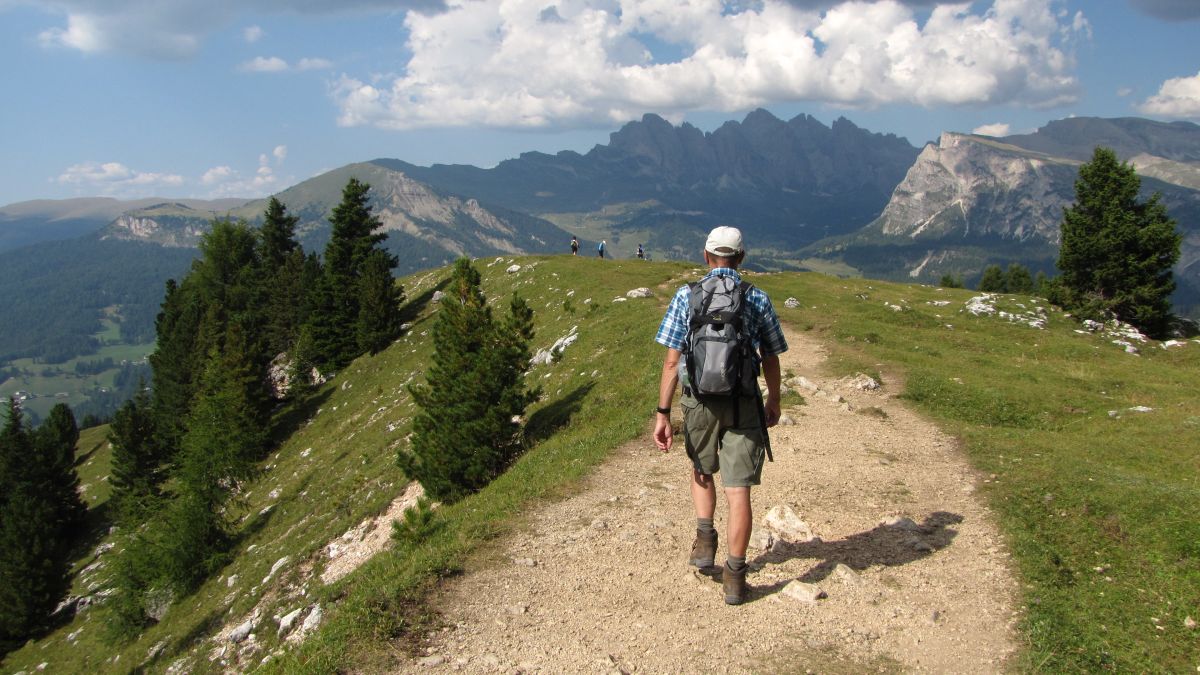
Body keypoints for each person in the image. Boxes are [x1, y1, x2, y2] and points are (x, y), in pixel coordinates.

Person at [652, 225, 787, 605]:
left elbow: (671, 360)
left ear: (706, 256)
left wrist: (663, 412)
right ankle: (735, 576)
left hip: (700, 403)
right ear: (741, 258)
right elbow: (772, 356)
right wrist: (773, 399)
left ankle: (705, 540)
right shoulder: (756, 298)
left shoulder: (686, 296)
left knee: (701, 468)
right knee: (738, 489)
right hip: (744, 403)